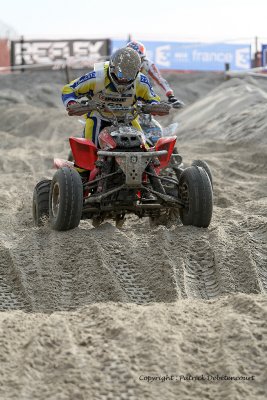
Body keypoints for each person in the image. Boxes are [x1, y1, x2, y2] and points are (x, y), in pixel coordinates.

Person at [62, 46, 162, 152]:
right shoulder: (96, 77)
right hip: (99, 117)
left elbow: (152, 97)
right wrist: (71, 103)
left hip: (128, 118)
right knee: (89, 154)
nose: (124, 79)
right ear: (112, 68)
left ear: (137, 72)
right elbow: (69, 89)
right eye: (120, 75)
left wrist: (155, 105)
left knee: (145, 151)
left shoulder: (141, 81)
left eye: (129, 76)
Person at [126, 40, 181, 104]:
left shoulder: (147, 63)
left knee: (152, 104)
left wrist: (170, 95)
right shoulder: (119, 62)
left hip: (140, 91)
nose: (135, 61)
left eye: (138, 58)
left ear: (142, 57)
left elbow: (159, 79)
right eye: (132, 58)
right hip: (121, 89)